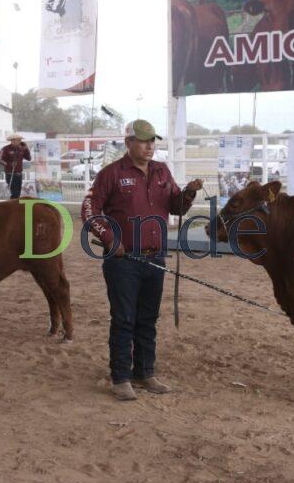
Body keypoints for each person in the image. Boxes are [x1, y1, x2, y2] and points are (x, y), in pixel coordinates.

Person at [82, 120, 203, 401]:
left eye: (153, 141)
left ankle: (145, 372)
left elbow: (175, 205)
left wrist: (189, 193)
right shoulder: (110, 174)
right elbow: (90, 210)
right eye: (144, 141)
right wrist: (112, 241)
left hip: (155, 256)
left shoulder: (162, 171)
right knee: (124, 318)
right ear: (129, 143)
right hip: (123, 260)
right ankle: (121, 377)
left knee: (148, 318)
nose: (150, 146)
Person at [0, 133, 32, 199]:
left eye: (20, 140)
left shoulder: (21, 149)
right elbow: (0, 160)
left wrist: (26, 148)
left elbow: (29, 158)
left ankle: (14, 206)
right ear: (13, 140)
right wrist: (10, 164)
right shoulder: (5, 149)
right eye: (19, 140)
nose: (20, 141)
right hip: (10, 174)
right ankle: (12, 206)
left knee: (18, 193)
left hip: (19, 174)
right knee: (14, 193)